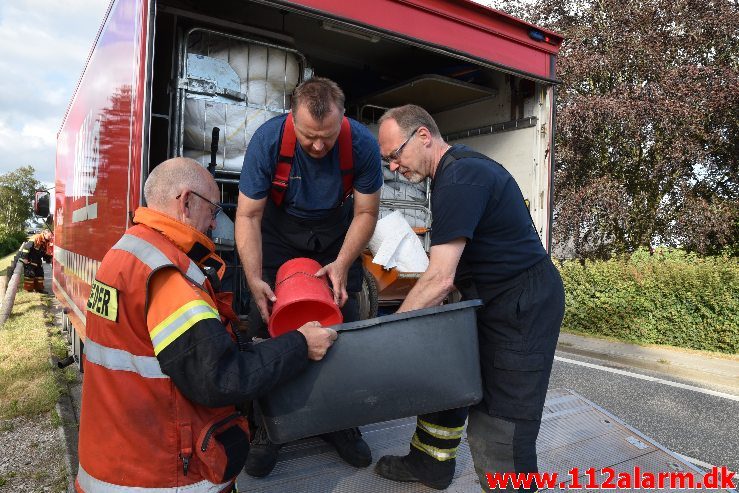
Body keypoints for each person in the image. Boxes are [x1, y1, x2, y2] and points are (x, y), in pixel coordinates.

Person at [76, 158, 337, 493]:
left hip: (115, 459)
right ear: (186, 202)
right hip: (161, 474)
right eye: (213, 210)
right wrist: (300, 344)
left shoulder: (127, 252)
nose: (215, 224)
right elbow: (222, 378)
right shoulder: (168, 275)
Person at [373, 105, 565, 491]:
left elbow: (439, 278)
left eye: (395, 155)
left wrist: (386, 334)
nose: (393, 166)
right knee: (448, 376)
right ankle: (430, 465)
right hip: (485, 299)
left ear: (424, 136)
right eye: (387, 160)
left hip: (520, 307)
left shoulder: (461, 177)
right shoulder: (449, 176)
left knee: (499, 426)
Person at [235, 76, 382, 477]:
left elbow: (367, 212)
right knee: (263, 328)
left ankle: (339, 424)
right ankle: (265, 428)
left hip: (337, 239)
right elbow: (248, 215)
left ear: (342, 120)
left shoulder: (363, 144)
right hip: (278, 235)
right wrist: (253, 280)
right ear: (292, 119)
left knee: (344, 325)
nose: (318, 146)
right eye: (308, 136)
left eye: (327, 137)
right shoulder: (267, 142)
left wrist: (343, 262)